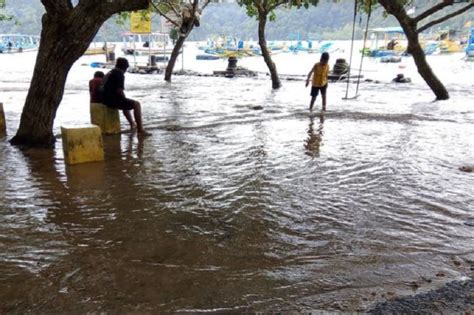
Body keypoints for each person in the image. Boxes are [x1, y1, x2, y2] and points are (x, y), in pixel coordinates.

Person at [102, 57, 150, 136]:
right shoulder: (119, 74)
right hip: (111, 100)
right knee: (136, 104)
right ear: (125, 68)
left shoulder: (110, 72)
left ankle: (132, 124)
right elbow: (119, 90)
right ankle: (140, 129)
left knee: (125, 103)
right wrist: (123, 98)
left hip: (104, 99)